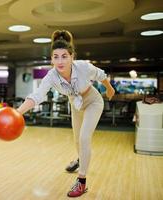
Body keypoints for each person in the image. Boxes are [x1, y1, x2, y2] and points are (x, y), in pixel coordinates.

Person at [16, 30, 115, 197]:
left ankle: (82, 182)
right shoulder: (51, 76)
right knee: (77, 140)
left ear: (72, 56)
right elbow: (38, 96)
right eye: (56, 57)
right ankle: (80, 159)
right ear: (51, 58)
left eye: (64, 56)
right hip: (75, 104)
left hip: (92, 101)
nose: (60, 61)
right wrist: (17, 112)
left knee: (84, 137)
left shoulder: (83, 67)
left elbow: (101, 75)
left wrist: (110, 88)